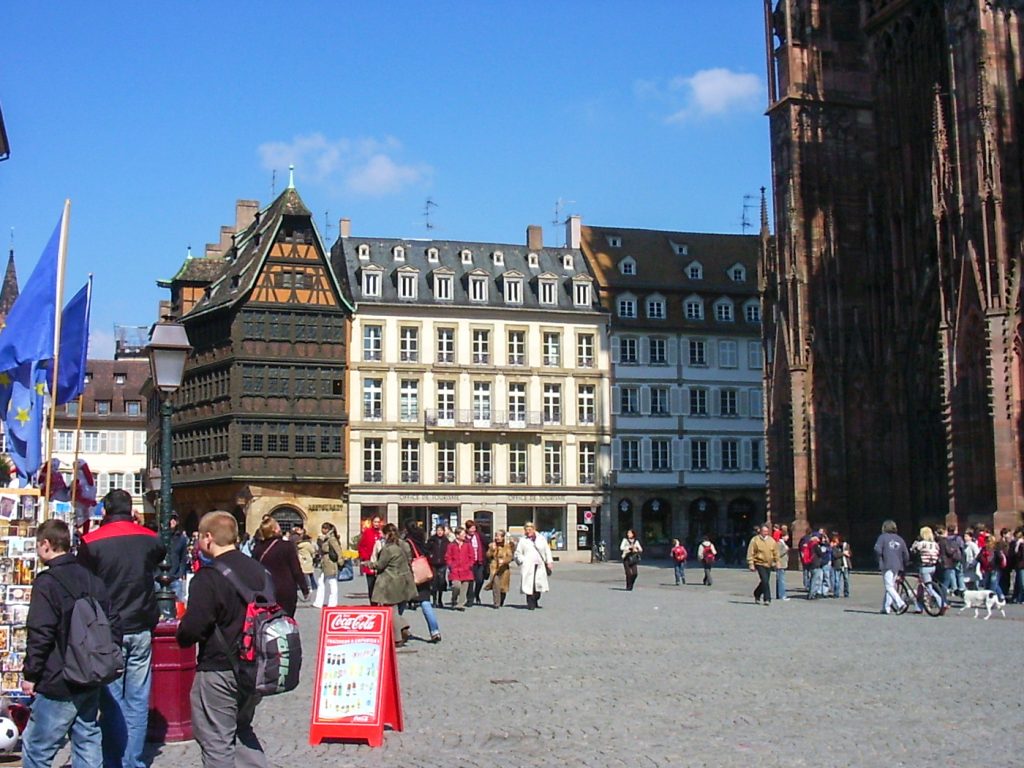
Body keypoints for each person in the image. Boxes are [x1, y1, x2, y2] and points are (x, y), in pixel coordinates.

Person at [22, 519, 121, 768]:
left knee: (37, 747)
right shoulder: (92, 579)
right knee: (87, 738)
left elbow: (41, 633)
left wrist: (31, 674)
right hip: (90, 674)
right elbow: (114, 622)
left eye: (38, 545)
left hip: (59, 678)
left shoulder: (47, 583)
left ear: (46, 544)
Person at [77, 489, 165, 768]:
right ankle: (133, 760)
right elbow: (159, 559)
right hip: (140, 623)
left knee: (112, 701)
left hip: (107, 629)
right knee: (137, 699)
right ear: (131, 510)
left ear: (105, 511)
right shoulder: (149, 539)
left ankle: (114, 760)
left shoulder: (90, 543)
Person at [176, 511, 270, 767]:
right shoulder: (259, 570)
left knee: (216, 739)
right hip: (256, 667)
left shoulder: (209, 577)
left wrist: (181, 632)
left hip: (219, 667)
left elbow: (192, 629)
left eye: (198, 538)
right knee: (241, 729)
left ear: (208, 538)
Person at [370, 524, 419, 645]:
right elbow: (408, 560)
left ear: (387, 534)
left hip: (391, 581)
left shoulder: (388, 548)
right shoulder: (403, 544)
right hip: (403, 579)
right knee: (395, 609)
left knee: (391, 610)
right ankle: (403, 628)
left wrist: (368, 564)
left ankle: (398, 637)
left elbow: (381, 565)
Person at [250, 516, 308, 617]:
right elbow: (296, 570)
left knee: (267, 621)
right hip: (285, 590)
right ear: (275, 529)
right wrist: (304, 588)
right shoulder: (287, 546)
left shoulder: (257, 549)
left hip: (265, 590)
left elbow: (253, 572)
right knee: (286, 621)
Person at [400, 521, 442, 642]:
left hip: (412, 576)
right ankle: (435, 631)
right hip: (423, 576)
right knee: (425, 603)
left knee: (401, 604)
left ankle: (396, 628)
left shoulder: (407, 543)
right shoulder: (421, 541)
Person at [513, 521, 553, 609]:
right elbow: (518, 553)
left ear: (534, 529)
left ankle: (536, 599)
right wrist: (523, 560)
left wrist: (549, 561)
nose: (528, 531)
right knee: (529, 584)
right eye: (526, 530)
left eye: (530, 529)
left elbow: (547, 551)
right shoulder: (523, 540)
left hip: (540, 564)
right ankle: (530, 603)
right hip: (528, 565)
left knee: (538, 585)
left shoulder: (541, 538)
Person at [874, 519, 909, 614]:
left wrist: (879, 558)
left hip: (887, 564)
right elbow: (906, 554)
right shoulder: (900, 539)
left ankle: (900, 603)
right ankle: (886, 608)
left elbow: (877, 549)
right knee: (891, 586)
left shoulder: (882, 537)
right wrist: (905, 564)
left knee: (889, 586)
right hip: (897, 565)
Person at [910, 526, 944, 612]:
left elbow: (912, 550)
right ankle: (919, 607)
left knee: (929, 587)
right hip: (933, 566)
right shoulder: (935, 544)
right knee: (921, 586)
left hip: (924, 567)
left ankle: (942, 603)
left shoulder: (921, 543)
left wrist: (915, 544)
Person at [313, 523, 344, 608]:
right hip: (325, 562)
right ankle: (318, 602)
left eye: (323, 528)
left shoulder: (331, 538)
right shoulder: (325, 538)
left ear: (327, 529)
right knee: (321, 581)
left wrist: (340, 560)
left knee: (332, 582)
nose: (322, 530)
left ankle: (332, 602)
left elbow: (338, 549)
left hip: (330, 562)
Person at [747, 524, 779, 605]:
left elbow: (775, 552)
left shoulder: (771, 540)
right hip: (759, 562)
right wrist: (751, 563)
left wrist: (777, 561)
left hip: (769, 563)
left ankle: (757, 593)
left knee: (765, 581)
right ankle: (767, 599)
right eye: (764, 531)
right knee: (765, 580)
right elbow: (750, 552)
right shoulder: (755, 540)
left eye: (767, 531)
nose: (766, 533)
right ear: (760, 531)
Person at [444, 527, 475, 611]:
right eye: (463, 534)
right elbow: (448, 557)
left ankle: (460, 604)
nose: (464, 536)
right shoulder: (451, 545)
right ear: (457, 535)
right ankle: (454, 599)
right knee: (456, 586)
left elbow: (472, 556)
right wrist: (451, 565)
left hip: (466, 569)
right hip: (455, 570)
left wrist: (470, 565)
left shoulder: (468, 544)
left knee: (464, 589)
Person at [357, 515, 384, 605]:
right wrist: (365, 558)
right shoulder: (367, 532)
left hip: (381, 563)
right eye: (375, 522)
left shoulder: (382, 533)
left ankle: (380, 601)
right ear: (372, 522)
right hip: (370, 562)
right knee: (371, 584)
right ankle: (373, 603)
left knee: (380, 585)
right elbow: (361, 546)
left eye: (378, 522)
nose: (376, 524)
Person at [486, 529, 514, 607]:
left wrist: (504, 561)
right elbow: (488, 555)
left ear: (503, 537)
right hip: (494, 568)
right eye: (496, 536)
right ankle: (496, 602)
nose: (497, 538)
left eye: (498, 536)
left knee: (503, 587)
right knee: (495, 585)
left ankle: (501, 600)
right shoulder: (492, 545)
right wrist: (492, 550)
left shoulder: (507, 546)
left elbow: (510, 557)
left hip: (504, 569)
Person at [464, 520, 488, 606]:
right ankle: (469, 599)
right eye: (471, 528)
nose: (473, 530)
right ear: (467, 529)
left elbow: (487, 543)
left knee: (480, 579)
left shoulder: (479, 536)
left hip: (479, 561)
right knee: (470, 581)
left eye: (474, 528)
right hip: (469, 563)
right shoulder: (464, 537)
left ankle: (476, 593)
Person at [166, 514, 190, 603]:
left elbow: (183, 558)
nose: (172, 521)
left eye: (174, 519)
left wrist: (181, 575)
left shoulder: (181, 539)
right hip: (160, 578)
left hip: (175, 577)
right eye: (170, 518)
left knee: (178, 605)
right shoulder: (159, 536)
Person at [426, 523, 449, 608]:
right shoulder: (432, 540)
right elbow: (426, 549)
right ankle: (435, 600)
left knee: (441, 581)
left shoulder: (446, 541)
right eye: (438, 530)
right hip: (433, 563)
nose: (439, 532)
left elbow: (449, 551)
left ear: (443, 531)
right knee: (434, 581)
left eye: (441, 530)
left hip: (443, 563)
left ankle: (440, 599)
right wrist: (430, 555)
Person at [293, 525, 317, 594]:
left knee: (304, 574)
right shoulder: (308, 545)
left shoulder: (299, 545)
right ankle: (311, 586)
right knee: (309, 574)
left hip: (302, 560)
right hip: (308, 559)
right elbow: (312, 551)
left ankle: (309, 586)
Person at [776, 532, 790, 601]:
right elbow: (778, 554)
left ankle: (779, 595)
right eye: (787, 536)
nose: (788, 538)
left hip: (783, 564)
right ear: (783, 536)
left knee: (780, 580)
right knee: (781, 580)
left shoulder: (783, 543)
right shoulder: (779, 543)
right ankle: (782, 595)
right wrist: (785, 550)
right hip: (780, 564)